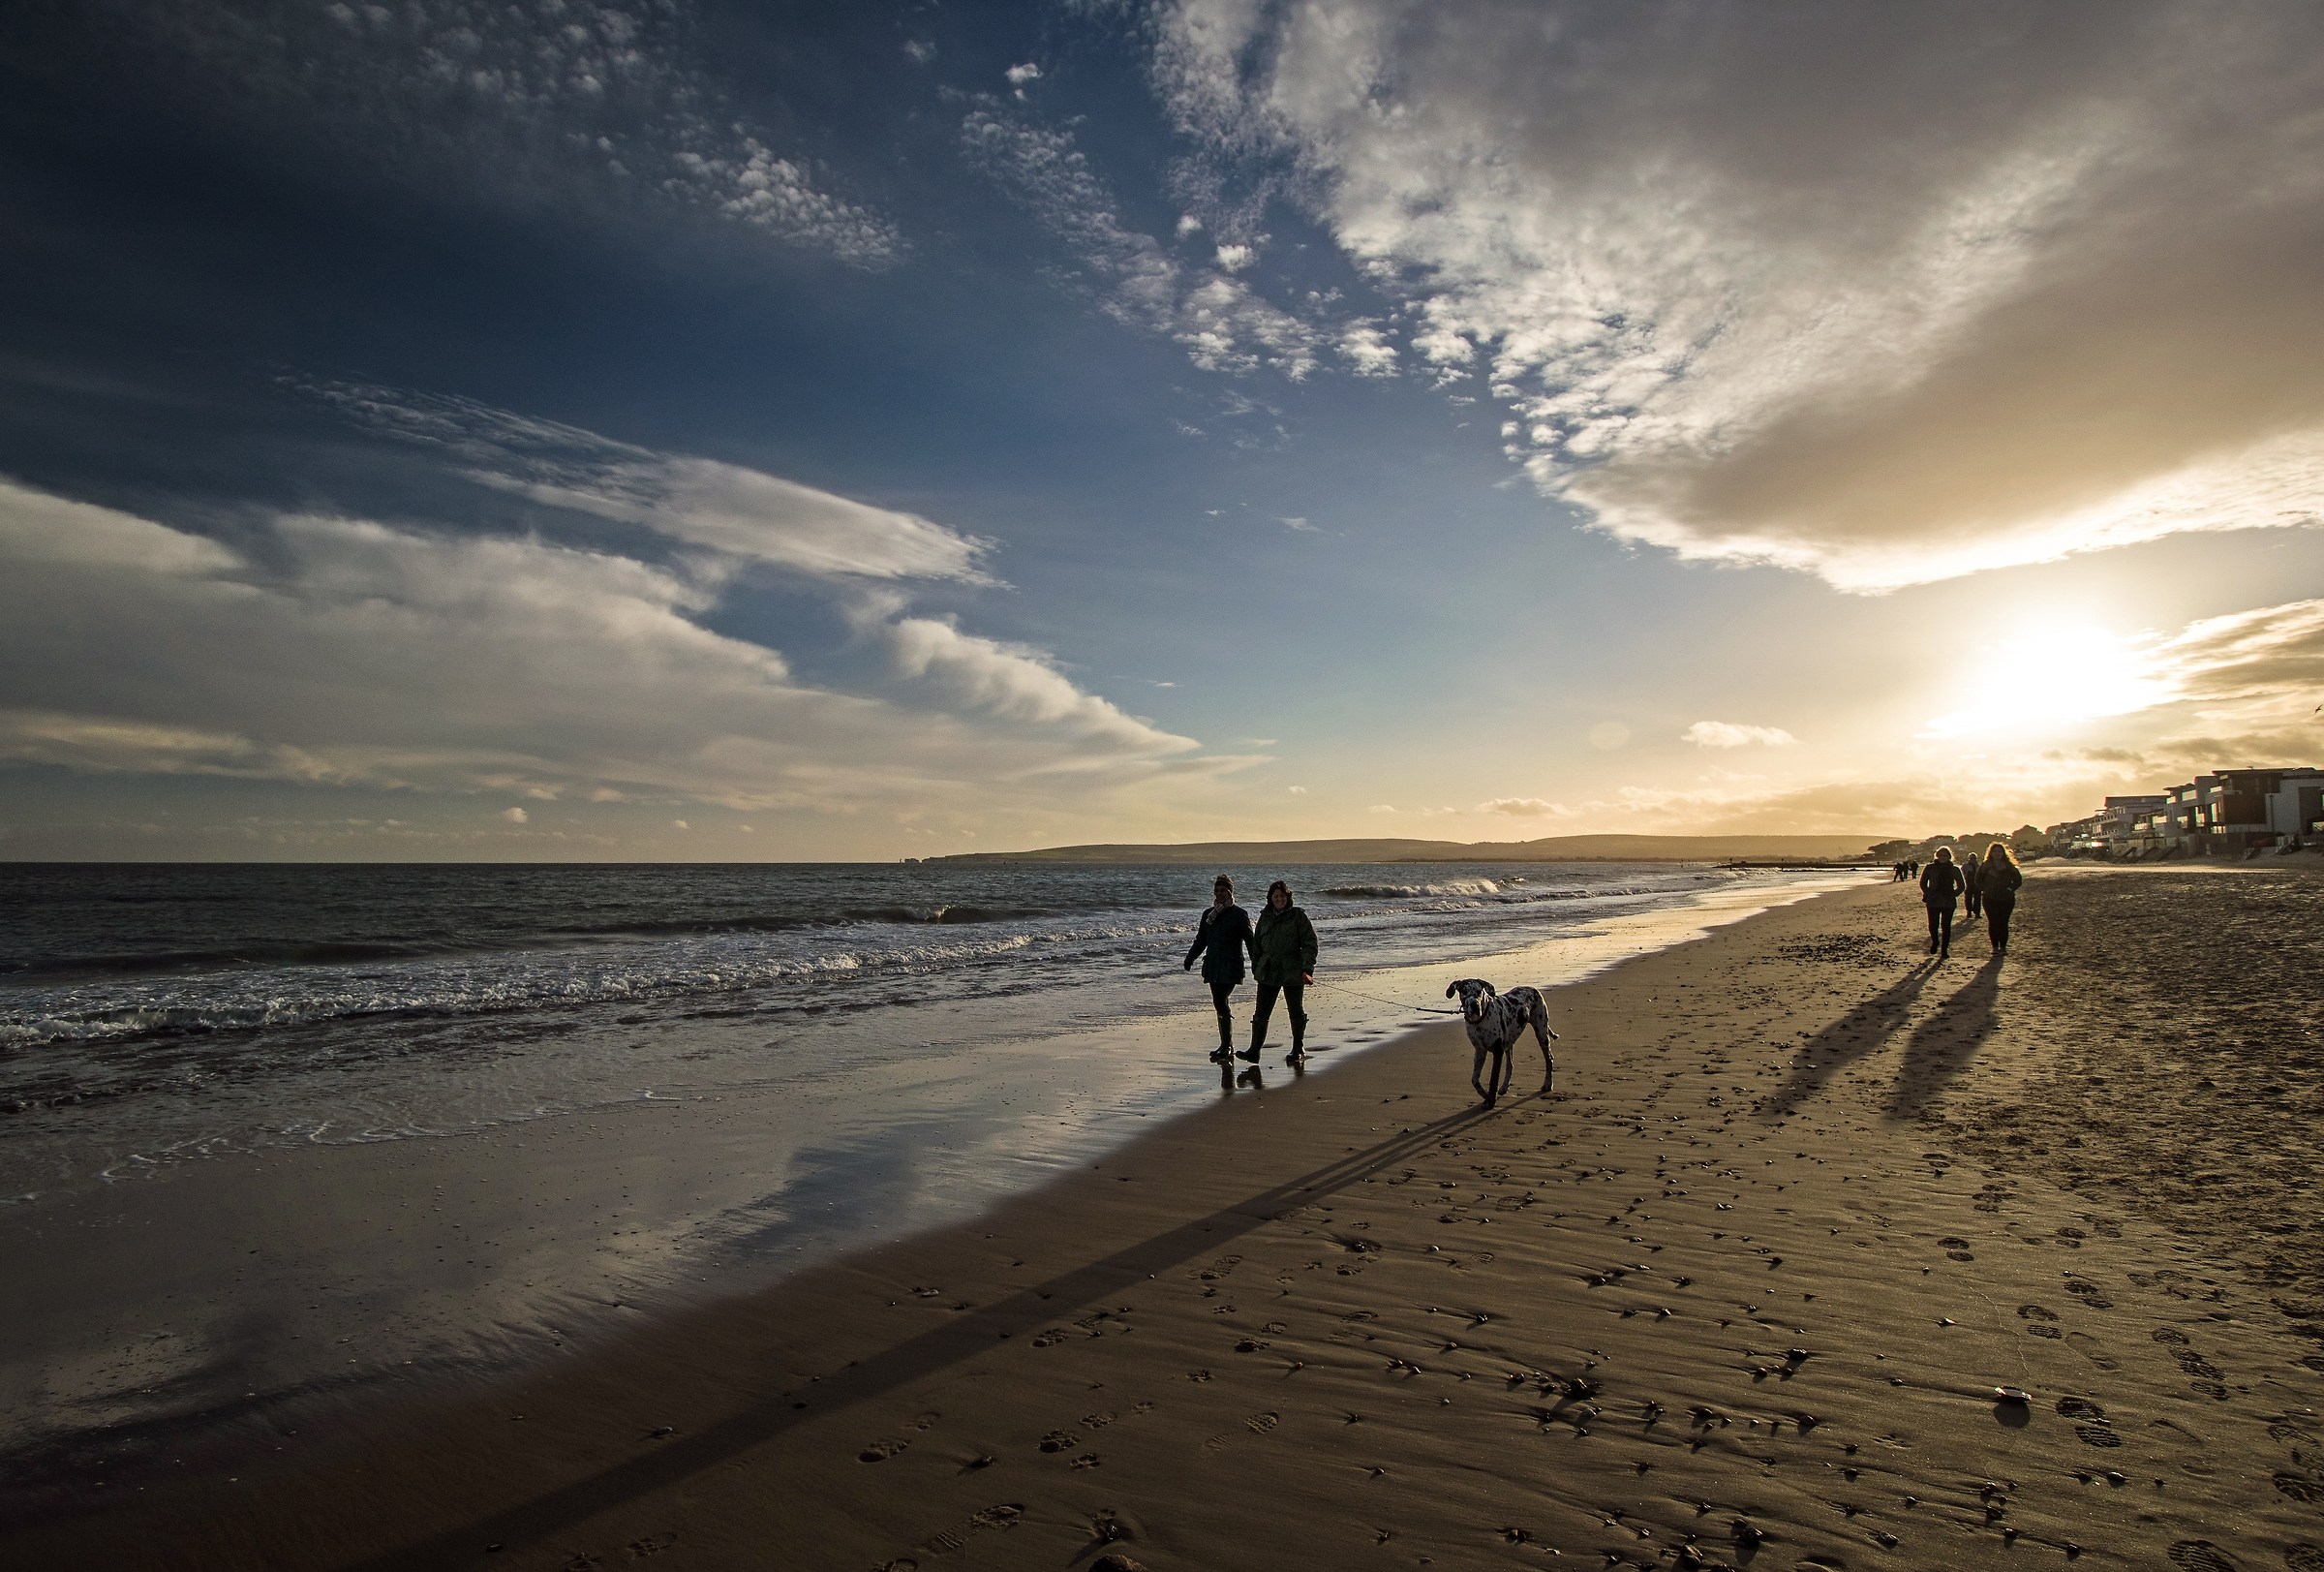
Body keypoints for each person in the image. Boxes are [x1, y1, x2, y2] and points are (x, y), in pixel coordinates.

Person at [1245, 878, 1318, 1065]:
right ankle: (1254, 1051)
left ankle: (1298, 1047)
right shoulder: (1265, 916)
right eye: (1276, 896)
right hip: (1268, 971)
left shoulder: (1297, 916)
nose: (1279, 899)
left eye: (1282, 896)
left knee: (1295, 1011)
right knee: (1261, 1013)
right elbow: (1257, 946)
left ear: (1288, 897)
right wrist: (1256, 967)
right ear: (1270, 898)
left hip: (1293, 971)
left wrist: (1307, 969)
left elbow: (1310, 943)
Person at [1183, 875, 1255, 1063]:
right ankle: (1226, 1044)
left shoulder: (1239, 914)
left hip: (1231, 966)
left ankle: (1226, 1046)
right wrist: (1190, 957)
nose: (1219, 893)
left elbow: (1250, 940)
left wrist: (1257, 962)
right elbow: (1201, 940)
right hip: (1213, 965)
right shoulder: (1209, 914)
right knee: (1218, 1002)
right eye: (1216, 891)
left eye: (1223, 890)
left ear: (1230, 892)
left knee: (1221, 1000)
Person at [1978, 840, 2024, 954]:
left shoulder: (2009, 866)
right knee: (1993, 922)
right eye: (1995, 852)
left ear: (2003, 853)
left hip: (2006, 898)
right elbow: (1978, 880)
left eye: (1999, 852)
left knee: (2003, 922)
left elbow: (2018, 880)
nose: (1997, 854)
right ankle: (1994, 947)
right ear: (1990, 853)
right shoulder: (1985, 866)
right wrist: (1985, 889)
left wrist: (2010, 888)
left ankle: (2003, 947)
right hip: (1990, 898)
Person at [1919, 847, 1964, 959]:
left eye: (1945, 856)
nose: (1942, 858)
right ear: (1937, 856)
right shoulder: (1930, 868)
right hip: (1933, 900)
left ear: (1949, 857)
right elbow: (1923, 882)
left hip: (1948, 901)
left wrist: (1954, 894)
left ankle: (1944, 950)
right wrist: (1928, 893)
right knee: (1933, 925)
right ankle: (1935, 942)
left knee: (1946, 926)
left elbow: (1961, 885)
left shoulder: (1954, 869)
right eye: (1940, 856)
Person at [1961, 848, 1983, 920]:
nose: (1973, 859)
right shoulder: (1965, 866)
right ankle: (1969, 912)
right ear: (1969, 858)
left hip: (1977, 885)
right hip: (1969, 884)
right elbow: (1963, 873)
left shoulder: (1979, 866)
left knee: (1977, 899)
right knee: (1968, 899)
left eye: (1974, 858)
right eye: (1971, 858)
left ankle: (1977, 913)